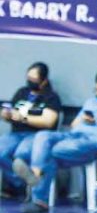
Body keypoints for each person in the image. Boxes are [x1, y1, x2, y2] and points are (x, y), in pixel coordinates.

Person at [15, 69, 97, 213]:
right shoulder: (91, 102)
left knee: (48, 153)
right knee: (43, 136)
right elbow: (73, 125)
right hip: (74, 136)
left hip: (93, 144)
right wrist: (82, 119)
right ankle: (36, 171)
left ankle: (39, 198)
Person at [0, 62, 61, 198]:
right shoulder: (22, 92)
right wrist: (6, 115)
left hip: (37, 136)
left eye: (34, 80)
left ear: (44, 80)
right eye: (29, 78)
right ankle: (22, 182)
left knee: (19, 157)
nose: (30, 82)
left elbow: (49, 121)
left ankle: (28, 185)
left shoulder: (51, 97)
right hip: (15, 133)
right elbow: (11, 110)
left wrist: (23, 118)